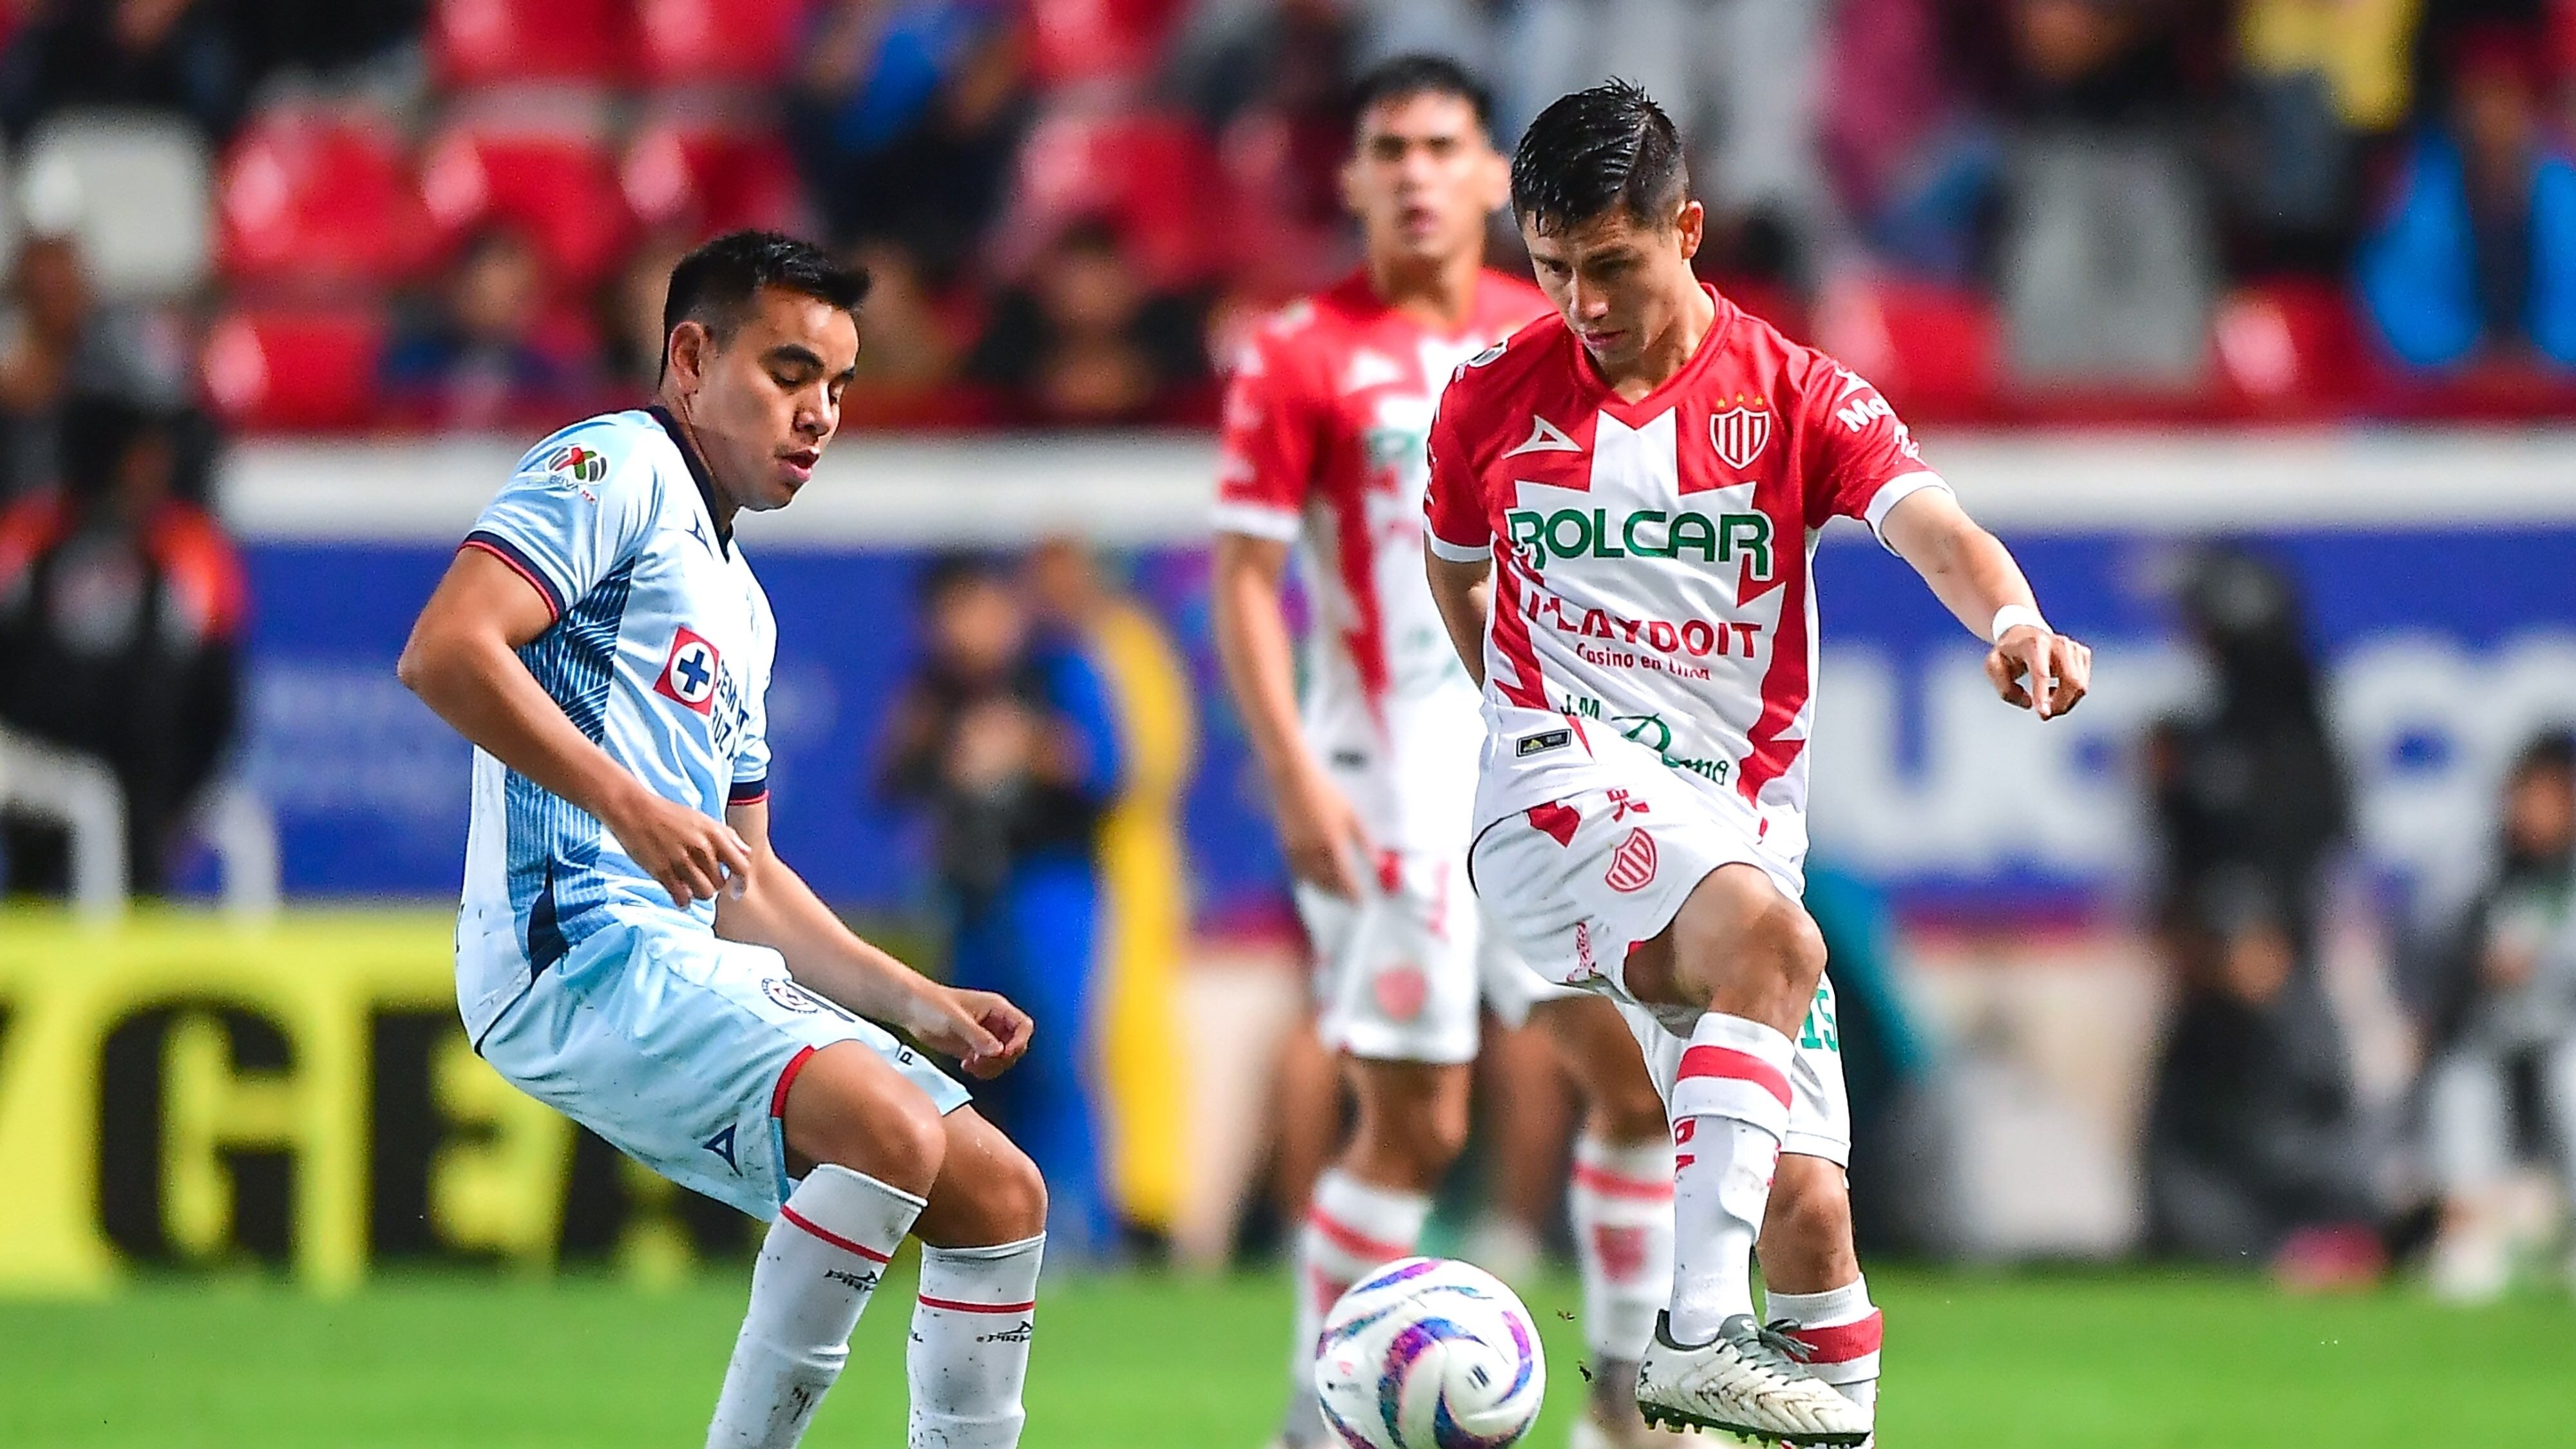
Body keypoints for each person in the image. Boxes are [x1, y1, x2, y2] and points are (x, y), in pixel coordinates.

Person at [1421, 82, 2091, 1443]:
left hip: (1731, 828)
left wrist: (2013, 618)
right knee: (1775, 943)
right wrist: (1528, 722)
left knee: (1810, 1207)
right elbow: (1455, 581)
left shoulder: (1794, 396)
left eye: (1610, 264)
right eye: (1552, 270)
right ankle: (1688, 1333)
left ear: (1688, 231)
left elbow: (1933, 529)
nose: (1582, 303)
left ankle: (1816, 1418)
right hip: (1557, 795)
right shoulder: (1487, 400)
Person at [396, 232, 1048, 1449]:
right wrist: (626, 804)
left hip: (678, 951)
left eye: (840, 389)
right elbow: (447, 650)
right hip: (571, 943)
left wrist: (922, 1003)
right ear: (690, 360)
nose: (820, 417)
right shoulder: (613, 464)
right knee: (889, 1132)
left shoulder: (742, 605)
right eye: (790, 373)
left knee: (1000, 1198)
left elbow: (743, 887)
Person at [1209, 57, 1684, 1449]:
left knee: (1626, 1074)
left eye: (1440, 146)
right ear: (1351, 179)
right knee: (1414, 1121)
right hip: (1388, 774)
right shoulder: (1297, 352)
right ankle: (1322, 1420)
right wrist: (1292, 769)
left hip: (1545, 762)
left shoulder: (1556, 334)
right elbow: (1244, 577)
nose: (1414, 172)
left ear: (1494, 179)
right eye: (1386, 149)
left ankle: (1624, 1408)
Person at [879, 554, 1124, 1260]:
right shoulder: (934, 689)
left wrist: (1026, 749)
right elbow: (890, 782)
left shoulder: (1054, 672)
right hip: (971, 892)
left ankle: (1080, 1234)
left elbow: (1109, 773)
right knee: (971, 1060)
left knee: (1053, 1060)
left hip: (1049, 887)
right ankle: (985, 1229)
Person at [0, 393, 241, 896]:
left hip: (154, 782)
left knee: (135, 818)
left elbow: (217, 699)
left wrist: (180, 795)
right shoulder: (30, 536)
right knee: (87, 804)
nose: (154, 465)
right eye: (140, 451)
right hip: (31, 763)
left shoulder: (191, 548)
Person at [2418, 730, 2576, 1300]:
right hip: (2495, 1040)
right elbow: (2431, 956)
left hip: (2564, 1038)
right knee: (2461, 1081)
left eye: (2547, 796)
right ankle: (2472, 1236)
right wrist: (2477, 962)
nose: (2529, 811)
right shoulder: (2484, 868)